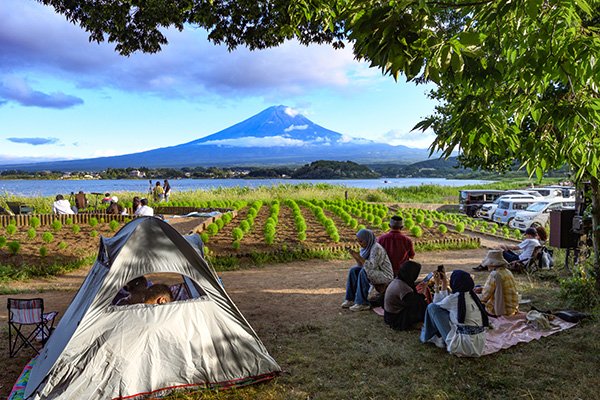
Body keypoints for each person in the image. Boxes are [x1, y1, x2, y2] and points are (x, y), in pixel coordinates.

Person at [420, 270, 489, 357]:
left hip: (462, 346)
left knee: (431, 307)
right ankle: (436, 336)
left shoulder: (454, 298)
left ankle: (428, 336)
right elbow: (445, 302)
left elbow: (436, 306)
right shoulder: (473, 296)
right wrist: (444, 282)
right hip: (479, 345)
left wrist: (438, 285)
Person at [342, 229, 393, 312]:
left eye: (361, 241)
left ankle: (363, 303)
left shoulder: (376, 248)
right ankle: (350, 299)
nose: (359, 244)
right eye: (358, 241)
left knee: (364, 272)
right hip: (375, 271)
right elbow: (361, 265)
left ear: (368, 240)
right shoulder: (367, 248)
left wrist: (359, 257)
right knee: (354, 270)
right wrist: (356, 256)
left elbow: (372, 266)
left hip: (385, 274)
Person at [383, 261, 427, 330]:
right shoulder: (403, 288)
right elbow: (417, 303)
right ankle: (413, 324)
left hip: (389, 315)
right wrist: (424, 290)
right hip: (396, 319)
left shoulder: (398, 280)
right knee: (423, 305)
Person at [477, 250, 519, 316]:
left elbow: (484, 297)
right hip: (512, 308)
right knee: (479, 287)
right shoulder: (507, 271)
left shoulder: (495, 274)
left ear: (492, 264)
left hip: (501, 310)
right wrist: (482, 289)